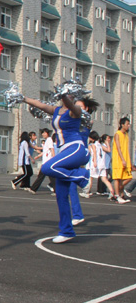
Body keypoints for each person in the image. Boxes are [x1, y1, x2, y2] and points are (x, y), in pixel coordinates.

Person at [23, 93, 96, 243]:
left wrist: (64, 95)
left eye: (69, 94)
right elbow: (40, 104)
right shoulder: (56, 110)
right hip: (64, 151)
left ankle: (82, 176)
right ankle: (66, 231)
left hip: (75, 148)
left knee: (47, 167)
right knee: (61, 195)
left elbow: (70, 104)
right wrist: (23, 98)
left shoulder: (75, 111)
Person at [83, 131, 114, 199]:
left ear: (92, 138)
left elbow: (94, 152)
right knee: (104, 179)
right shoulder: (100, 144)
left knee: (90, 178)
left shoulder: (93, 144)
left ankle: (87, 193)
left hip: (96, 164)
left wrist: (94, 161)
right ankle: (112, 192)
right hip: (102, 164)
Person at [28, 129, 55, 194]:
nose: (42, 134)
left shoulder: (49, 140)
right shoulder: (47, 141)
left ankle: (33, 189)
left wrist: (54, 159)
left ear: (47, 133)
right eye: (42, 133)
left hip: (47, 162)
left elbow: (52, 149)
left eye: (44, 133)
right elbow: (45, 151)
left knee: (41, 176)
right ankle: (57, 190)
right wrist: (38, 156)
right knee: (51, 177)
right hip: (46, 162)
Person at [111, 117, 132, 203]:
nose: (129, 125)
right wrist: (122, 159)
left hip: (126, 159)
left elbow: (126, 149)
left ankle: (119, 193)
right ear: (122, 125)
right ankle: (118, 195)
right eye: (127, 124)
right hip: (118, 160)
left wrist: (128, 161)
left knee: (128, 177)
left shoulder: (126, 135)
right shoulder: (117, 134)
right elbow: (118, 148)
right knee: (117, 178)